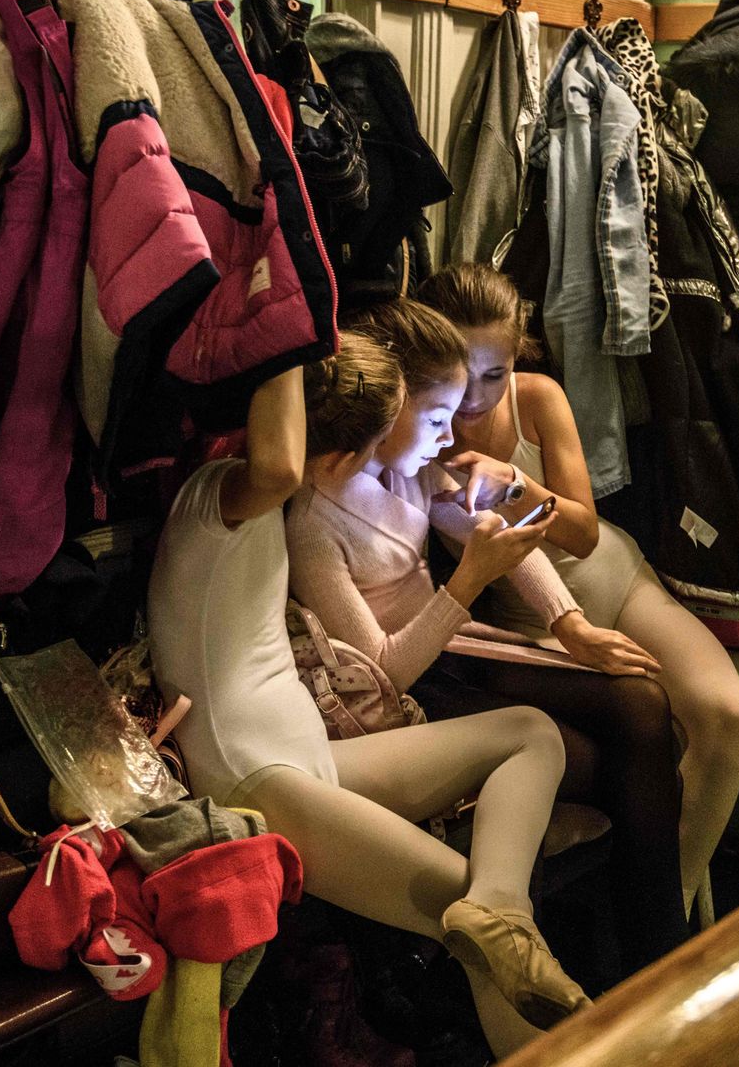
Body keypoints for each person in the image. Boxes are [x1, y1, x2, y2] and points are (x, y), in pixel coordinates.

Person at [146, 343, 589, 1053]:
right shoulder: (226, 499)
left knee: (532, 733)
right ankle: (501, 922)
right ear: (338, 459)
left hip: (303, 758)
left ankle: (497, 903)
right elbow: (281, 465)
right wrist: (279, 334)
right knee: (491, 943)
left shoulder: (266, 505)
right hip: (256, 783)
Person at [286, 299, 690, 973]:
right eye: (438, 418)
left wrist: (573, 623)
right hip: (405, 693)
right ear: (392, 407)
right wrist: (465, 585)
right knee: (602, 758)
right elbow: (386, 673)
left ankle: (656, 955)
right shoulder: (314, 522)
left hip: (458, 649)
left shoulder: (411, 468)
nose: (449, 438)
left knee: (644, 702)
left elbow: (495, 537)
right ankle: (617, 959)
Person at [419, 264, 739, 912]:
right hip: (530, 626)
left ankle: (675, 910)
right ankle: (638, 924)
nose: (477, 396)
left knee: (728, 717)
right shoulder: (419, 432)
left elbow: (581, 536)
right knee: (636, 727)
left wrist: (513, 485)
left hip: (618, 584)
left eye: (496, 371)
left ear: (517, 352)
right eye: (463, 371)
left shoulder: (536, 397)